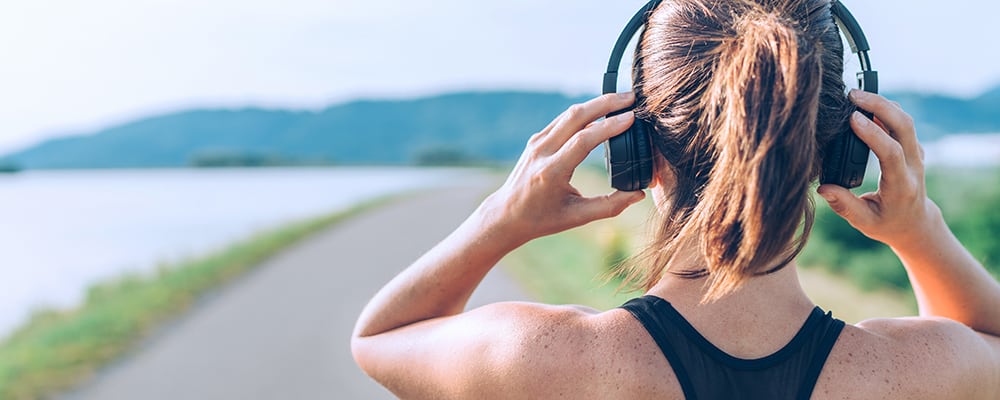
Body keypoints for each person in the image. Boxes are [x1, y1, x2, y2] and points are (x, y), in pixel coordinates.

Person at [351, 0, 1000, 398]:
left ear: (635, 150)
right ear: (835, 152)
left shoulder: (543, 360)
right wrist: (921, 232)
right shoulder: (921, 373)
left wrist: (500, 218)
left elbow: (382, 337)